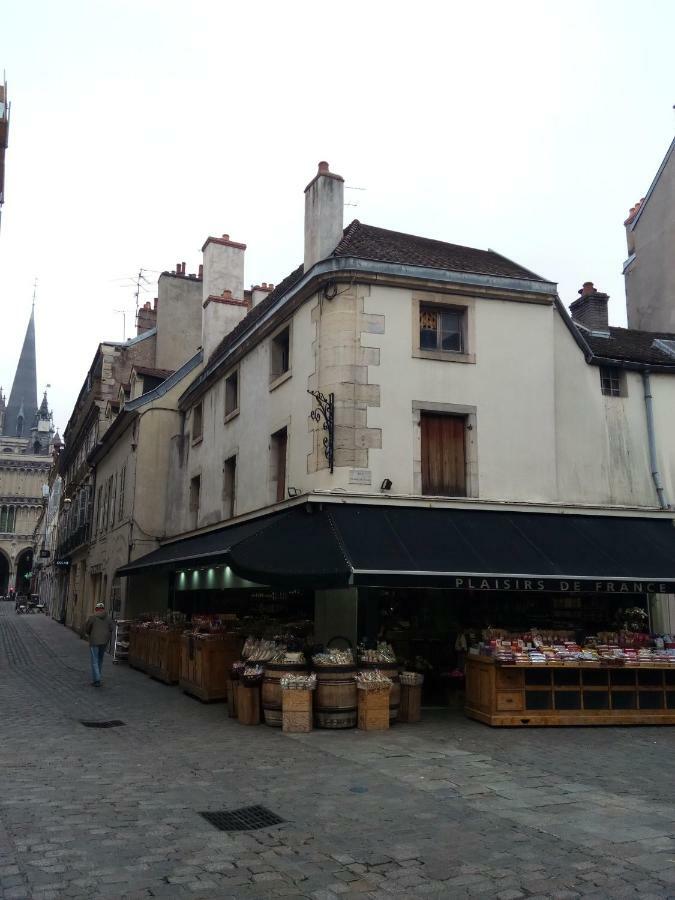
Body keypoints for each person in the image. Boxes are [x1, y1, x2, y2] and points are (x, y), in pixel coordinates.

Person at [84, 601, 114, 686]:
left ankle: (96, 680)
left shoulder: (92, 617)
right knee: (100, 659)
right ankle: (98, 676)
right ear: (103, 609)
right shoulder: (108, 618)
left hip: (94, 641)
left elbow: (87, 628)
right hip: (104, 642)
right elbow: (111, 628)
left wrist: (89, 633)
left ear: (96, 609)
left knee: (94, 660)